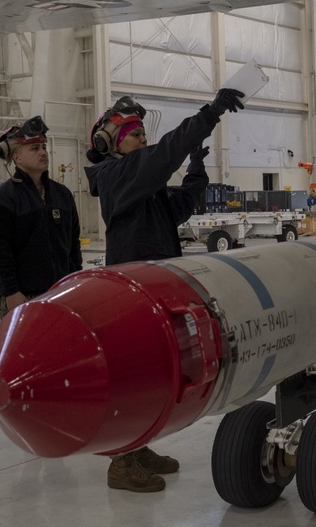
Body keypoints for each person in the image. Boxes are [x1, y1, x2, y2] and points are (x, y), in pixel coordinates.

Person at [84, 88, 244, 492]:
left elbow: (181, 205)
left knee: (156, 372)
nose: (143, 140)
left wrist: (196, 168)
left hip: (154, 288)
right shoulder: (115, 176)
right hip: (132, 291)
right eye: (135, 135)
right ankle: (120, 462)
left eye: (142, 134)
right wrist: (209, 114)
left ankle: (139, 446)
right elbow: (163, 153)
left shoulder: (142, 185)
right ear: (112, 143)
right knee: (131, 375)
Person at [0, 116, 82, 319]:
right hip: (23, 296)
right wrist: (11, 292)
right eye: (34, 148)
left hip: (61, 292)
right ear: (17, 157)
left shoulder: (62, 195)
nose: (43, 152)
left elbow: (73, 245)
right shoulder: (1, 201)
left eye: (43, 147)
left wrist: (75, 281)